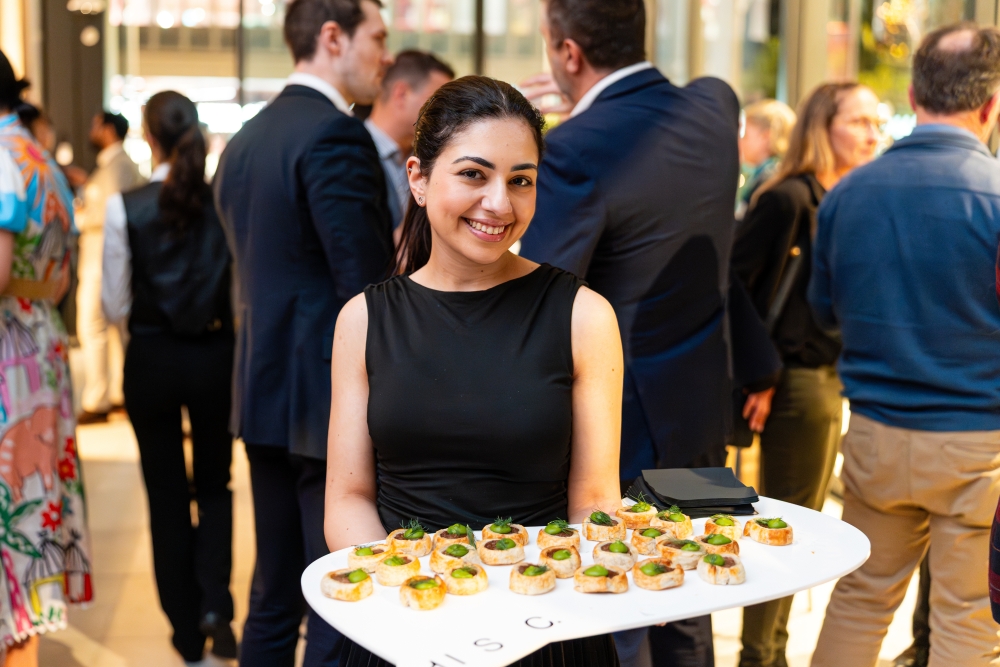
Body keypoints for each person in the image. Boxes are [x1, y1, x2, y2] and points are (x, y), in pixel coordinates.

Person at [327, 74, 624, 667]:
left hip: (545, 622)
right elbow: (348, 499)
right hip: (405, 620)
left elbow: (593, 501)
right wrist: (425, 595)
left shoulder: (584, 316)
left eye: (521, 181)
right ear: (417, 178)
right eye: (473, 174)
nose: (499, 203)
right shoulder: (364, 320)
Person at [518, 1, 740, 664]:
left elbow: (544, 296)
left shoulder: (570, 151)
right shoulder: (713, 108)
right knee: (685, 595)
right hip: (699, 410)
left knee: (614, 595)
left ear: (569, 54)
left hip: (616, 422)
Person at [809, 23, 1000, 667]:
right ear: (991, 104)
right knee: (968, 618)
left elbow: (823, 312)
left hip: (875, 435)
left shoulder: (847, 194)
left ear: (915, 94)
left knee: (860, 598)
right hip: (978, 445)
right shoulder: (997, 197)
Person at [212, 0, 393, 664]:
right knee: (340, 594)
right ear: (332, 36)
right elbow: (365, 286)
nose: (386, 53)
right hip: (327, 403)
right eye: (378, 37)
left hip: (262, 390)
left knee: (274, 593)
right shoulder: (334, 134)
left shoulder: (246, 139)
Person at [731, 82, 880, 667]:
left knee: (803, 523)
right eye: (860, 121)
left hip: (830, 375)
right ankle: (760, 655)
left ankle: (770, 650)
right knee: (786, 526)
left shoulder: (851, 196)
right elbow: (735, 286)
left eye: (876, 122)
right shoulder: (790, 198)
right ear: (825, 126)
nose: (873, 133)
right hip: (793, 379)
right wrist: (761, 372)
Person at [101, 91, 236, 665]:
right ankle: (217, 611)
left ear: (148, 137)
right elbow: (236, 290)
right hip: (213, 356)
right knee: (215, 486)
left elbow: (114, 303)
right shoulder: (221, 202)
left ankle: (185, 634)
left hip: (152, 359)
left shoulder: (123, 206)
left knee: (164, 497)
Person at [0, 49, 92, 667]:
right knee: (32, 503)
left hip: (10, 346)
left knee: (15, 501)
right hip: (41, 341)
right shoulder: (36, 154)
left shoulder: (2, 157)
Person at [77, 110, 143, 424]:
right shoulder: (112, 165)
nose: (91, 130)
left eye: (94, 124)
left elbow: (111, 214)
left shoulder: (118, 167)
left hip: (104, 254)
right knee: (111, 327)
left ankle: (99, 398)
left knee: (95, 324)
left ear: (106, 129)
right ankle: (117, 394)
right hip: (101, 253)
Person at [365, 49, 453, 231]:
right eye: (438, 103)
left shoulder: (431, 161)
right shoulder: (349, 152)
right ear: (401, 94)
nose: (447, 115)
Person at [736, 99, 796, 218]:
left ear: (766, 136)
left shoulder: (771, 182)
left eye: (745, 135)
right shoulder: (765, 174)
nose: (739, 141)